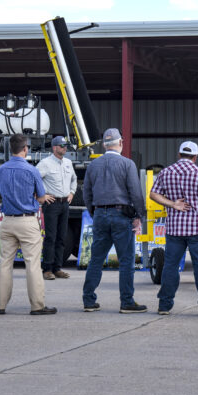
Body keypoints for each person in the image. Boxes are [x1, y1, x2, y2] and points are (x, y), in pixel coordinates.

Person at [150, 141, 198, 316]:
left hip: (174, 229)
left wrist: (172, 204)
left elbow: (153, 194)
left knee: (170, 266)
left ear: (179, 155)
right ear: (195, 157)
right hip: (197, 228)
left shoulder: (166, 172)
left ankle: (164, 305)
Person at [81, 127, 147, 313]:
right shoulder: (127, 164)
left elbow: (86, 192)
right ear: (121, 143)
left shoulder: (93, 165)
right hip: (121, 215)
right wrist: (138, 216)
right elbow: (135, 193)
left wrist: (95, 212)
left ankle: (88, 300)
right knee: (126, 260)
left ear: (103, 145)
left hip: (100, 213)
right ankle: (126, 301)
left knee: (96, 259)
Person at [0, 133, 56, 315]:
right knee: (32, 264)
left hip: (7, 221)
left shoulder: (1, 170)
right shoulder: (32, 170)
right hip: (27, 220)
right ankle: (37, 306)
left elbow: (0, 191)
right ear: (25, 149)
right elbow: (42, 197)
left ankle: (0, 305)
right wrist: (40, 198)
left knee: (5, 263)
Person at [36, 135, 77, 280]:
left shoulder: (67, 162)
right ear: (54, 148)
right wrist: (41, 196)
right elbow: (34, 179)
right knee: (51, 237)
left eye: (65, 145)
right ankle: (47, 269)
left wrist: (72, 192)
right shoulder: (45, 163)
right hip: (51, 204)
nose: (64, 148)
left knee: (61, 237)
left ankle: (57, 268)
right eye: (61, 146)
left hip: (64, 203)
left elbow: (74, 179)